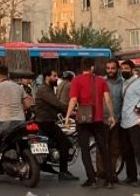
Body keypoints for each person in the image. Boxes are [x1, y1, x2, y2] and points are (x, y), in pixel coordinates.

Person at [65, 58, 116, 189]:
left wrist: (66, 117)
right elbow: (107, 99)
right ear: (92, 68)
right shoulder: (101, 81)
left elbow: (73, 100)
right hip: (98, 120)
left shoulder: (76, 80)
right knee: (104, 149)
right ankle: (110, 179)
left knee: (85, 151)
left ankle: (91, 179)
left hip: (83, 120)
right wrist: (111, 115)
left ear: (82, 67)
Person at [33, 70, 77, 181]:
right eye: (54, 76)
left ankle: (48, 162)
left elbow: (55, 105)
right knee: (64, 143)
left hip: (48, 120)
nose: (57, 78)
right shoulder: (44, 89)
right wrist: (70, 110)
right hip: (45, 122)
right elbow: (56, 103)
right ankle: (63, 172)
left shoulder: (49, 88)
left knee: (53, 143)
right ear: (47, 77)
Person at [97, 59, 130, 184]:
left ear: (118, 69)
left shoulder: (123, 83)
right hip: (103, 120)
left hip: (118, 121)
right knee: (101, 148)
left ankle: (112, 174)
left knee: (114, 149)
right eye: (108, 68)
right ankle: (101, 175)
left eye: (113, 68)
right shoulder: (101, 82)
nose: (110, 70)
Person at [120, 60, 140, 186]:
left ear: (131, 69)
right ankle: (131, 176)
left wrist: (139, 106)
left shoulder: (138, 83)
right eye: (123, 68)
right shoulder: (124, 83)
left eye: (126, 68)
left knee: (139, 151)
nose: (124, 70)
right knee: (127, 151)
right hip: (124, 122)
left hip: (134, 122)